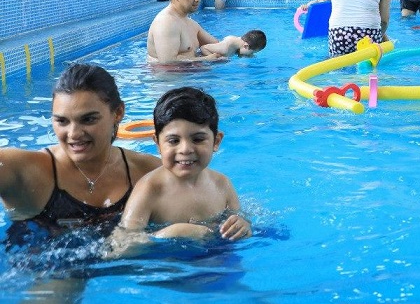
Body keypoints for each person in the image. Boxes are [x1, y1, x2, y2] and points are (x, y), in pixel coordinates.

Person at [0, 64, 162, 246]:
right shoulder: (26, 172)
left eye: (88, 119)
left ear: (118, 113)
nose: (73, 134)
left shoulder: (147, 172)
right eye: (62, 121)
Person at [111, 87, 251, 249]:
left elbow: (242, 223)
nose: (185, 149)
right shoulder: (149, 190)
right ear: (157, 144)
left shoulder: (222, 184)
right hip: (169, 269)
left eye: (198, 139)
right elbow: (120, 246)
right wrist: (168, 234)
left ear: (216, 141)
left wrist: (243, 226)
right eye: (173, 141)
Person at [148, 0, 222, 63]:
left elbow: (217, 45)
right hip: (169, 76)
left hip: (190, 74)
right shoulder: (165, 22)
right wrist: (206, 59)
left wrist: (236, 44)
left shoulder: (190, 23)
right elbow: (167, 62)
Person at [197, 30, 267, 58]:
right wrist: (213, 57)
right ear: (246, 46)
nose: (251, 54)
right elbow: (203, 48)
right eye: (252, 52)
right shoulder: (225, 49)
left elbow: (241, 51)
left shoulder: (238, 42)